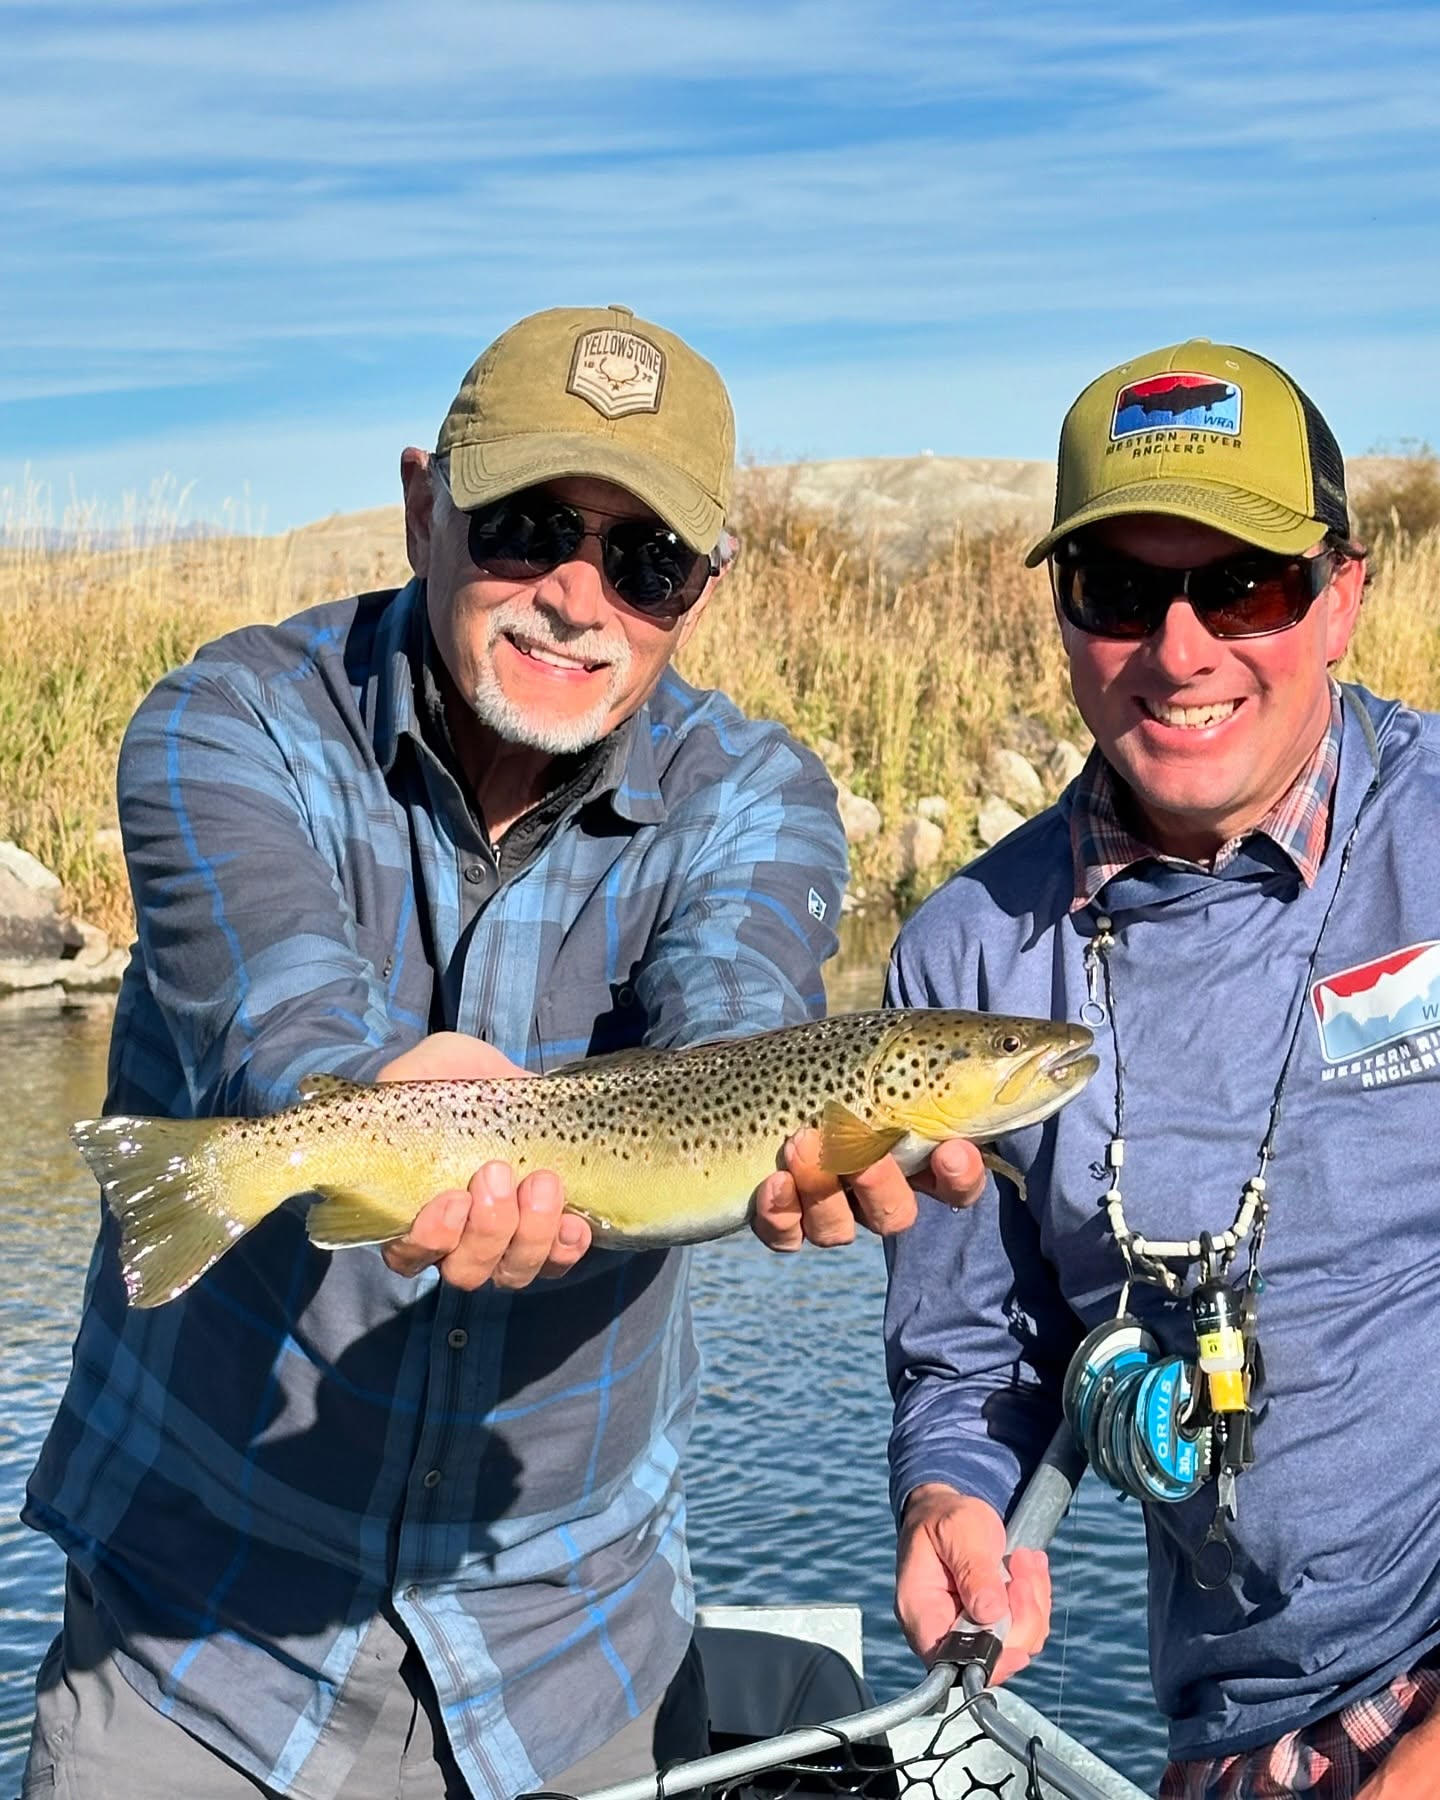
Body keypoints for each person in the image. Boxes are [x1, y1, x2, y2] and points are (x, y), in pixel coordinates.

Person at [22, 303, 980, 1800]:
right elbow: (279, 1011)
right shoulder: (226, 719)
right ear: (425, 506)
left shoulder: (755, 791)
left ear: (703, 589)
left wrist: (794, 1142)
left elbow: (738, 1013)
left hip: (571, 1663)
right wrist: (400, 1102)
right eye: (529, 527)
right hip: (197, 1646)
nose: (578, 598)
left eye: (647, 561)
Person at [884, 340, 1440, 1798]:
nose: (1181, 651)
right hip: (1235, 1732)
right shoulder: (964, 957)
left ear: (1343, 597)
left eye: (1245, 587)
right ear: (1065, 617)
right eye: (1120, 591)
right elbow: (970, 1350)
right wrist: (951, 1498)